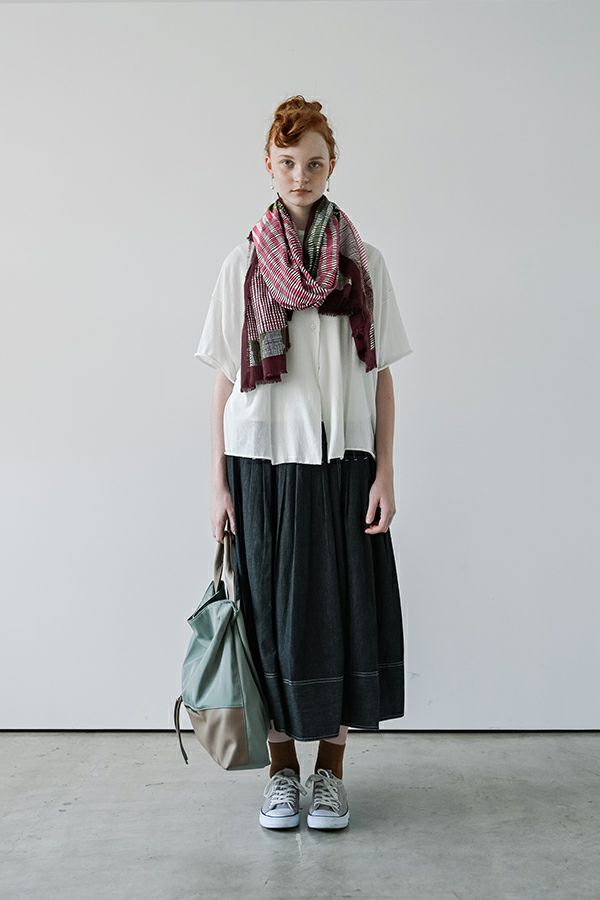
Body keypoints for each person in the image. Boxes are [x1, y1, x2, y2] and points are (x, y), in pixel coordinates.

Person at [195, 95, 413, 831]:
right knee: (267, 621)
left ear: (332, 165)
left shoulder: (363, 262)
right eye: (287, 162)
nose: (300, 175)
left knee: (344, 615)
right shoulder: (243, 263)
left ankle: (331, 777)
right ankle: (282, 774)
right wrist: (218, 485)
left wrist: (385, 472)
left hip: (343, 463)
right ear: (268, 163)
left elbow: (381, 375)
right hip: (261, 465)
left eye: (314, 162)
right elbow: (226, 379)